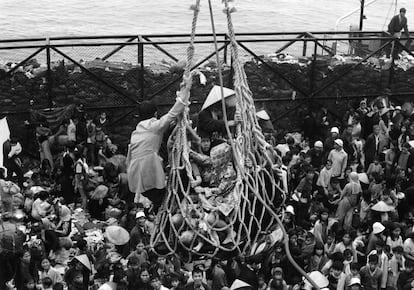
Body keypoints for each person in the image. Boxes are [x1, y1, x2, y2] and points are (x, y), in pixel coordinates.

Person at [127, 74, 192, 212]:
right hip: (148, 173)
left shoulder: (136, 132)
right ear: (155, 114)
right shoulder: (155, 126)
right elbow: (174, 111)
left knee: (160, 198)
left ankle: (159, 209)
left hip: (135, 177)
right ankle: (166, 210)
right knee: (170, 196)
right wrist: (187, 88)